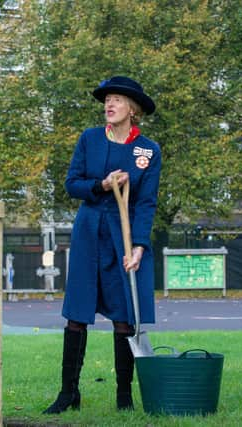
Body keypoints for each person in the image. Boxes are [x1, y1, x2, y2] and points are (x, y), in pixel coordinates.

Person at [43, 76, 161, 414]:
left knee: (124, 316)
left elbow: (147, 202)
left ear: (133, 109)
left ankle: (124, 397)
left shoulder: (148, 150)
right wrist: (102, 184)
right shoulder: (90, 139)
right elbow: (71, 184)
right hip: (89, 232)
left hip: (122, 237)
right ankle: (68, 393)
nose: (109, 105)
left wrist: (138, 245)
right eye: (107, 99)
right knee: (77, 314)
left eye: (117, 100)